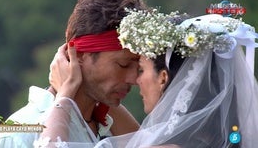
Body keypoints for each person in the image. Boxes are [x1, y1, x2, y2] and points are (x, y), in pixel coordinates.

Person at [0, 0, 148, 147]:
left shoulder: (113, 128)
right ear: (78, 55)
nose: (134, 79)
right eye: (123, 65)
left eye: (139, 68)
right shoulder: (19, 135)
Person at [93, 9, 258, 148]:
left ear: (163, 78)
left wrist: (67, 95)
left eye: (141, 70)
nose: (137, 80)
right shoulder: (223, 138)